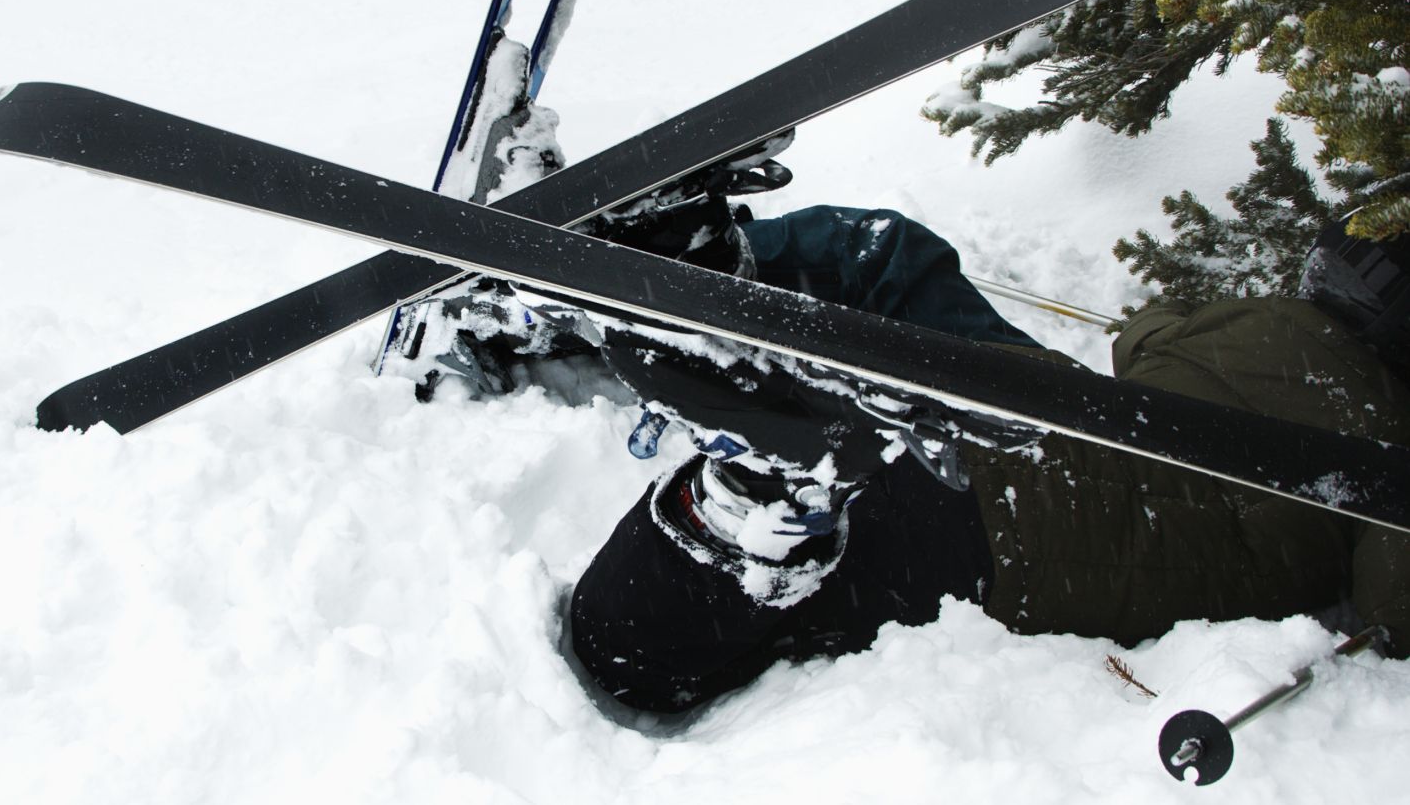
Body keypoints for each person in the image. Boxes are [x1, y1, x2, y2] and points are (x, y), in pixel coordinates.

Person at [566, 198, 1410, 714]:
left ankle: (723, 264)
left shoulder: (1262, 318)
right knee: (625, 659)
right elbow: (1392, 608)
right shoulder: (1391, 462)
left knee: (897, 262)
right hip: (1041, 529)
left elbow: (1140, 337)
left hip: (1032, 403)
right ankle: (759, 496)